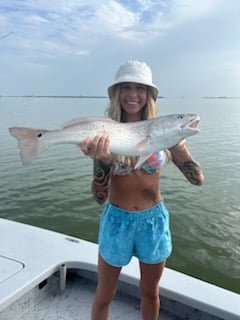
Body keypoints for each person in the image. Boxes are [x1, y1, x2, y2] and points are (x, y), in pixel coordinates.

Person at [80, 60, 204, 320]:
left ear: (150, 94)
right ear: (117, 93)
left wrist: (178, 147)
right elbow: (99, 197)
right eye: (126, 87)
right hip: (117, 221)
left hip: (153, 222)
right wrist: (102, 160)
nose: (133, 94)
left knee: (150, 293)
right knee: (104, 294)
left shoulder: (166, 129)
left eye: (140, 88)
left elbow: (197, 180)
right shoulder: (104, 132)